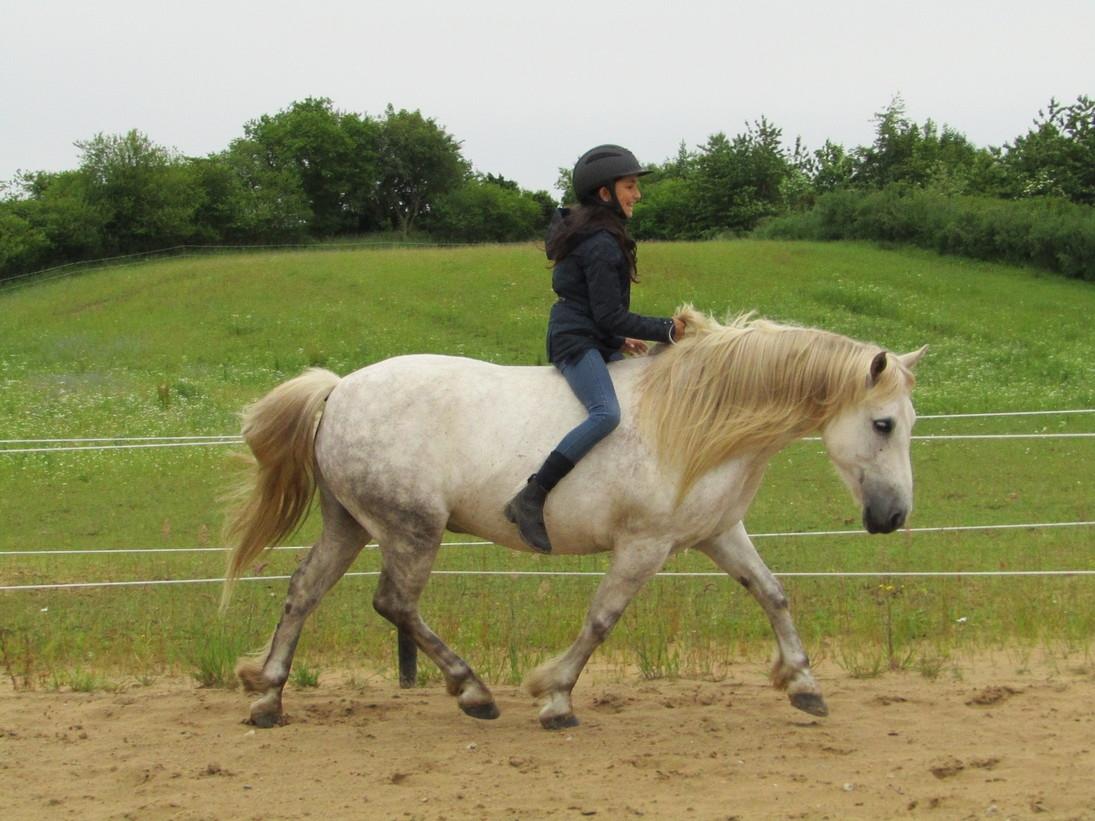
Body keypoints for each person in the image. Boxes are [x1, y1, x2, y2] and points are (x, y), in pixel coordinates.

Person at [504, 144, 685, 553]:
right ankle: (532, 495)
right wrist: (666, 330)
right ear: (605, 193)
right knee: (607, 414)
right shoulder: (602, 243)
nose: (637, 194)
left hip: (588, 333)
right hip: (575, 341)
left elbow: (599, 311)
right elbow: (607, 314)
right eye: (630, 186)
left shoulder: (596, 233)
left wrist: (618, 339)